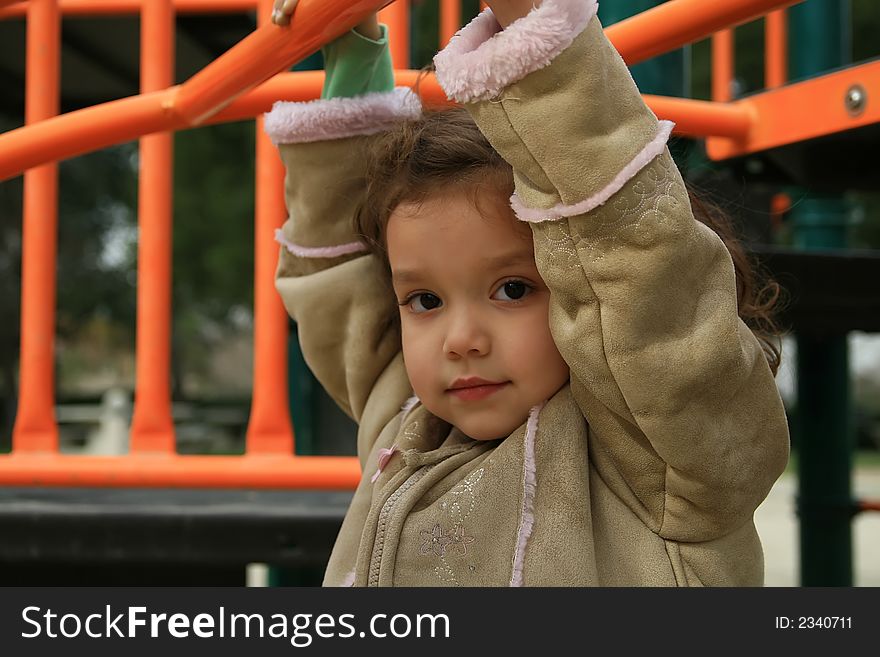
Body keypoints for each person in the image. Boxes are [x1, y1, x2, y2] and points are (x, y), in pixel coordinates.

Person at [265, 0, 790, 586]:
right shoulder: (405, 417)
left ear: (576, 281)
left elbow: (632, 257)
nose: (460, 341)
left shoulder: (660, 450)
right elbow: (339, 280)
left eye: (512, 289)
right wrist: (349, 43)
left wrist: (530, 25)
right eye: (426, 301)